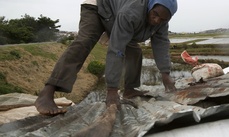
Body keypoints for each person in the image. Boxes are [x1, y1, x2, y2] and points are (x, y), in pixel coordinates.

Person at [35, 0, 178, 116]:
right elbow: (116, 49)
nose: (156, 20)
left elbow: (161, 44)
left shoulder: (161, 22)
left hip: (115, 14)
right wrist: (112, 90)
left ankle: (129, 89)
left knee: (134, 51)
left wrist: (165, 74)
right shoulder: (132, 12)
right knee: (85, 41)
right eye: (155, 14)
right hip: (97, 6)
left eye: (162, 19)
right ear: (150, 5)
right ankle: (47, 92)